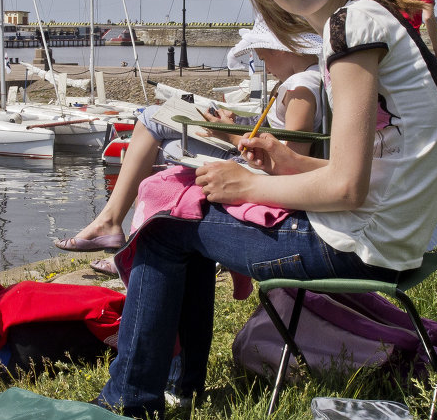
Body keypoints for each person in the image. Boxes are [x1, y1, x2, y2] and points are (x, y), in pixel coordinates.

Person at [94, 0, 437, 418]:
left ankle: (131, 402)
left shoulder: (350, 28)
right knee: (181, 214)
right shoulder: (366, 19)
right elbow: (373, 166)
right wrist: (288, 162)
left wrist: (252, 184)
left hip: (361, 245)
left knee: (165, 226)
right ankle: (170, 388)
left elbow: (348, 188)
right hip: (394, 236)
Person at [54, 18, 324, 253]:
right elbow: (280, 141)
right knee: (164, 138)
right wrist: (236, 123)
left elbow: (289, 160)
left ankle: (117, 227)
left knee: (151, 122)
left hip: (251, 168)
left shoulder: (300, 88)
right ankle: (123, 233)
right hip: (250, 157)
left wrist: (228, 134)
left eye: (264, 57)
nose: (264, 64)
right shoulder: (308, 79)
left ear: (283, 48)